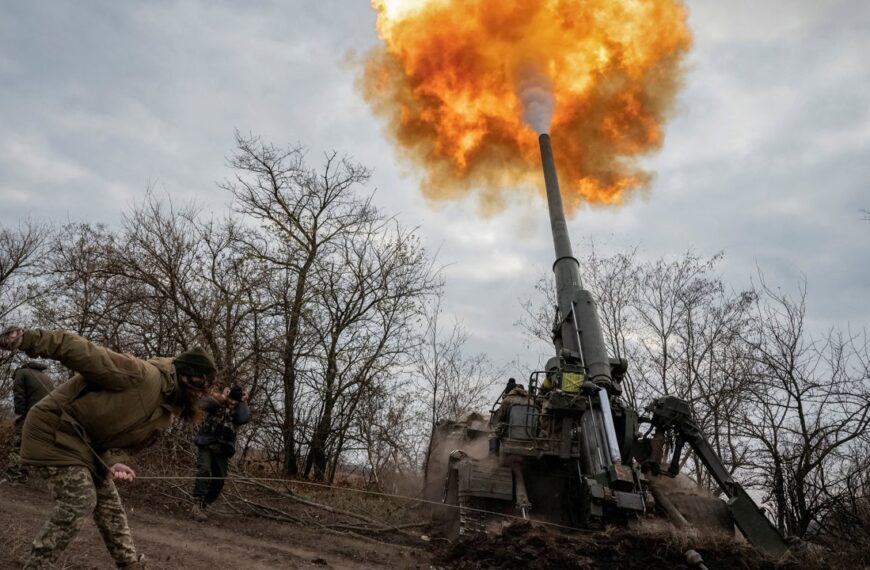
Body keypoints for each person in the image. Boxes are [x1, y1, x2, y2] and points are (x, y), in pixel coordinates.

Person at [0, 326, 216, 570]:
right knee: (80, 501)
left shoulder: (165, 413)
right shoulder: (141, 374)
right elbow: (81, 350)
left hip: (86, 445)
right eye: (201, 389)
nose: (201, 398)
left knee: (110, 506)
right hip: (52, 428)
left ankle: (130, 565)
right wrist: (27, 339)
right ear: (189, 379)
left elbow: (124, 445)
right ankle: (38, 565)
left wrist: (114, 461)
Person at [190, 384, 250, 521]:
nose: (232, 402)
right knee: (204, 470)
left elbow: (243, 418)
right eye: (231, 399)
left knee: (220, 479)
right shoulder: (217, 404)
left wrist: (244, 401)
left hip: (223, 450)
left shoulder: (239, 411)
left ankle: (205, 504)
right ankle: (196, 505)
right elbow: (202, 404)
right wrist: (221, 397)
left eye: (236, 400)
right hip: (207, 445)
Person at [8, 360, 54, 481]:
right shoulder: (46, 377)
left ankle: (13, 474)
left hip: (31, 415)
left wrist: (19, 414)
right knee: (37, 445)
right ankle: (30, 474)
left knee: (19, 443)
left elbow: (19, 395)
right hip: (48, 417)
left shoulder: (21, 373)